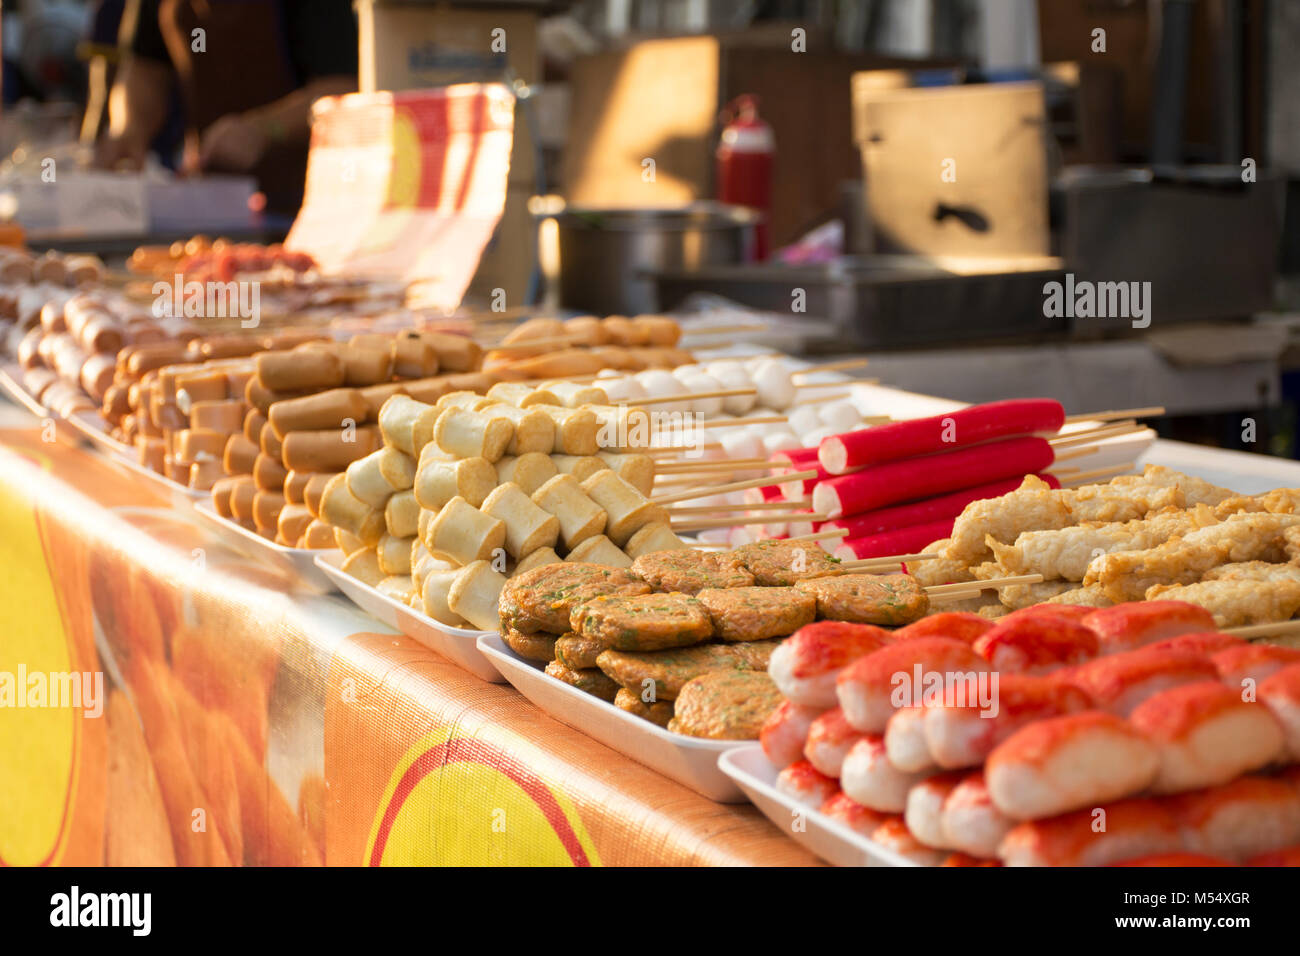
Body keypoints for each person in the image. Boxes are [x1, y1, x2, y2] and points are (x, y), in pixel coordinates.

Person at [95, 0, 358, 214]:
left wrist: (265, 128)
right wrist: (129, 127)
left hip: (304, 201)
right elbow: (145, 69)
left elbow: (342, 88)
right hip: (209, 199)